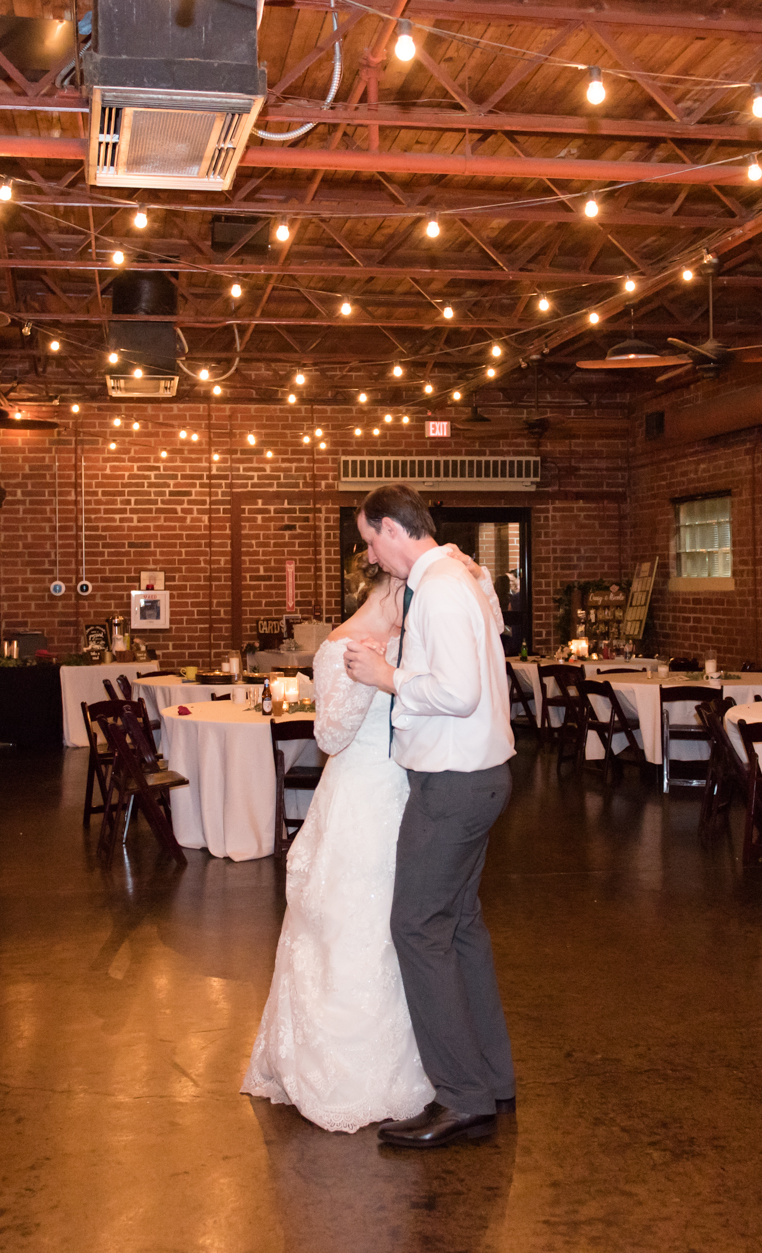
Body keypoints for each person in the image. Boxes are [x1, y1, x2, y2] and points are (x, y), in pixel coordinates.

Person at [242, 545, 503, 1133]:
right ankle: (364, 1072)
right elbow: (331, 735)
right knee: (360, 927)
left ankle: (448, 1071)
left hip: (417, 791)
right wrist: (369, 678)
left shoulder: (421, 626)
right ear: (385, 582)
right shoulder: (342, 643)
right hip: (362, 798)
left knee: (417, 929)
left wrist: (389, 672)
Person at [342, 484, 516, 1149]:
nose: (369, 552)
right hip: (477, 778)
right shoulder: (463, 573)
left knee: (415, 927)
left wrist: (385, 675)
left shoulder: (440, 584)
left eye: (369, 538)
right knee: (460, 926)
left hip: (452, 782)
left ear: (392, 528)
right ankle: (491, 1077)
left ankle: (461, 1095)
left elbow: (459, 689)